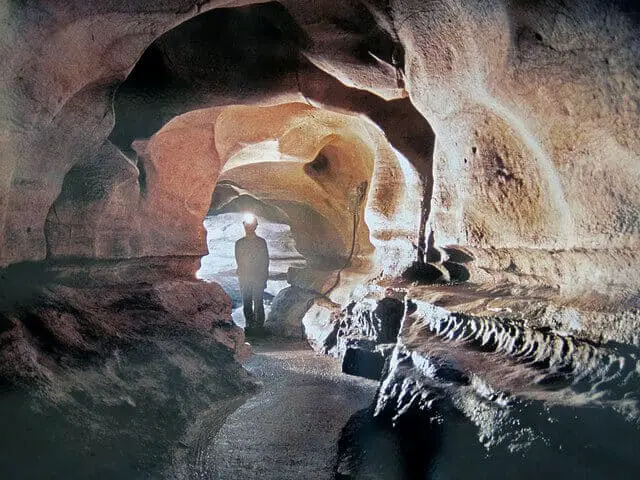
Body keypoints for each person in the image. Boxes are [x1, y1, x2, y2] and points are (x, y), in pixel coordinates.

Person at [235, 213, 269, 336]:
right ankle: (250, 325)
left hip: (257, 276)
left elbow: (265, 261)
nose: (248, 227)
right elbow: (238, 260)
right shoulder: (239, 243)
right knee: (247, 302)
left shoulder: (261, 242)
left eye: (251, 224)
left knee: (258, 301)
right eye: (247, 224)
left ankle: (259, 327)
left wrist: (264, 277)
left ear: (255, 226)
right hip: (245, 277)